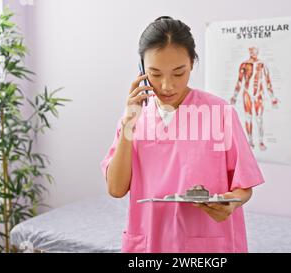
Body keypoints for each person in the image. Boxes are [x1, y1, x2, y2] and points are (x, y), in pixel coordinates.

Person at [100, 16, 265, 253]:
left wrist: (231, 203)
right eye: (155, 74)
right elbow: (116, 189)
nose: (167, 85)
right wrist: (128, 123)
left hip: (208, 246)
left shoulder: (220, 113)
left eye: (179, 73)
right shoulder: (133, 119)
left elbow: (244, 186)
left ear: (192, 64)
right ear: (141, 70)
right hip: (150, 246)